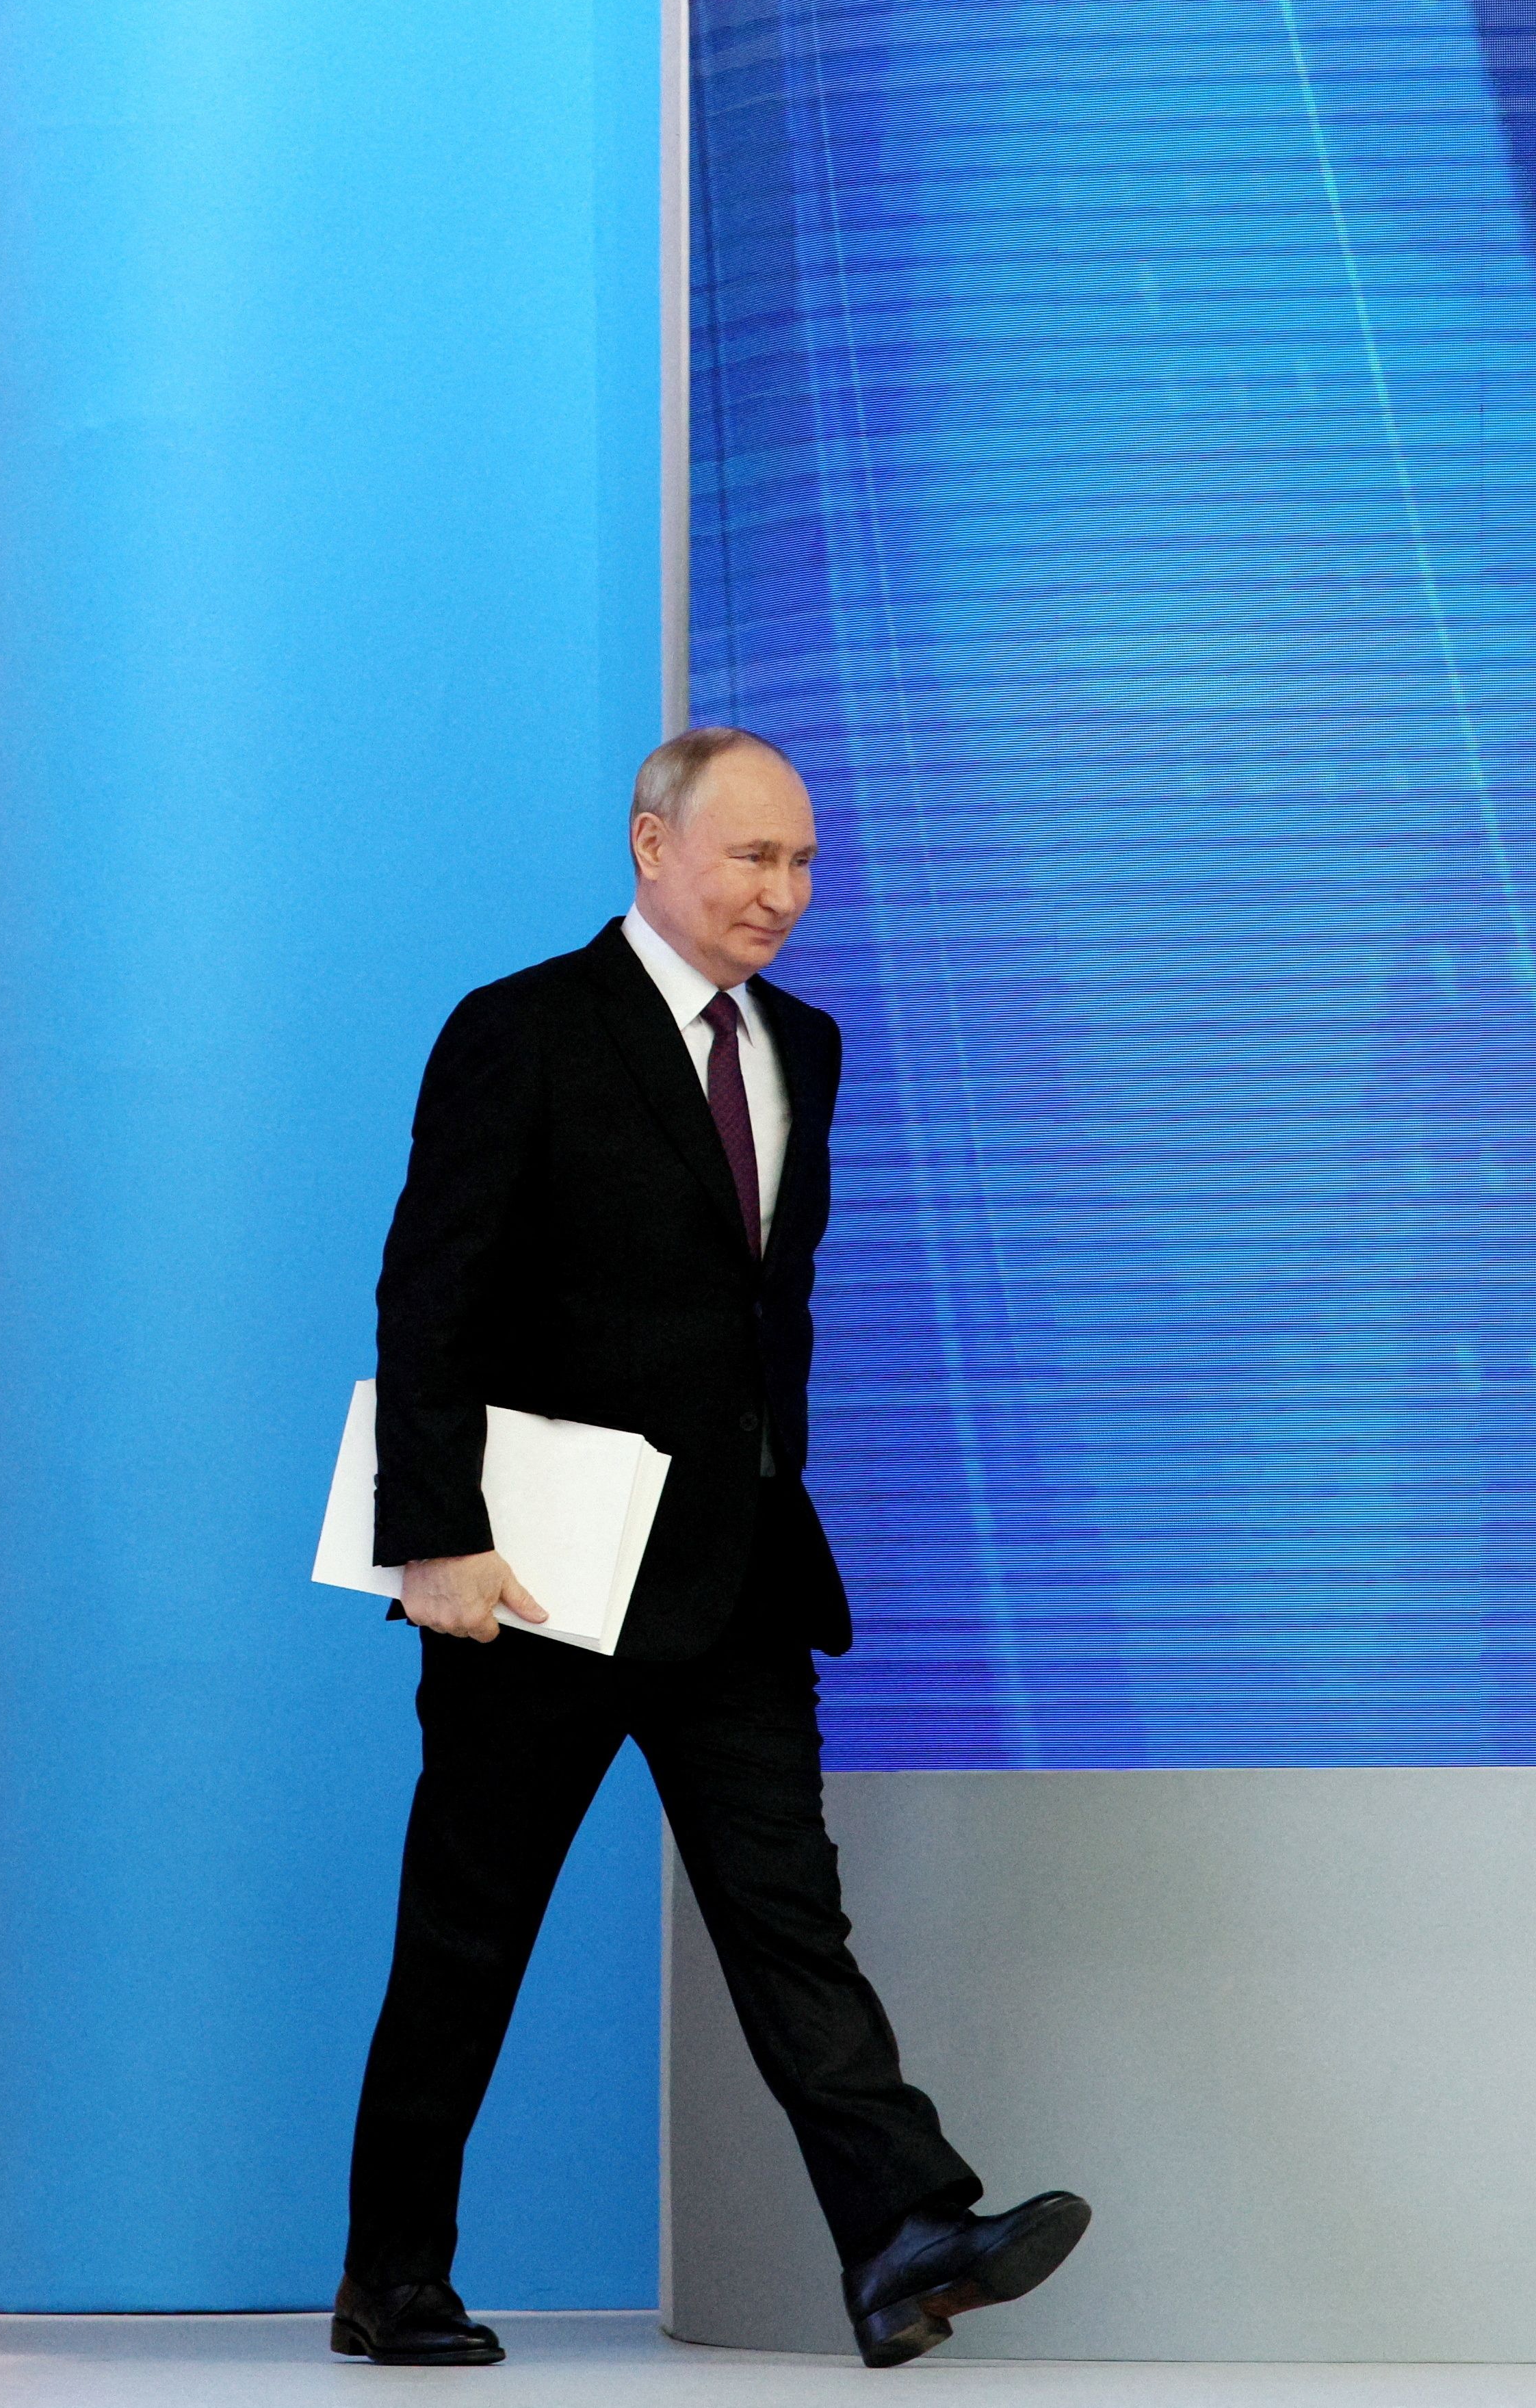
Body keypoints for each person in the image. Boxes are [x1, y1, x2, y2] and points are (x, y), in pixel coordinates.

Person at [335, 725, 1089, 2370]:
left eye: (805, 863)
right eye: (755, 858)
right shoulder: (522, 1029)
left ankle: (902, 2232)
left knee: (787, 1918)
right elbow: (430, 1291)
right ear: (651, 845)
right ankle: (391, 2273)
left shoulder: (804, 1046)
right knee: (469, 1931)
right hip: (534, 1578)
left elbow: (767, 1315)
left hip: (737, 1572)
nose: (786, 893)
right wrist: (434, 1539)